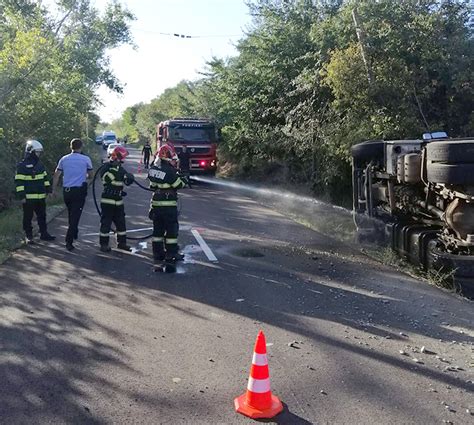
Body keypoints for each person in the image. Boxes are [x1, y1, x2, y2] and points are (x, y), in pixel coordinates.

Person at [52, 138, 93, 251]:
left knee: (71, 213)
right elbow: (91, 174)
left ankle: (74, 231)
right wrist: (86, 178)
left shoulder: (64, 159)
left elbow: (56, 175)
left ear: (71, 147)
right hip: (79, 191)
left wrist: (53, 190)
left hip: (67, 192)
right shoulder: (85, 159)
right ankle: (69, 240)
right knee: (75, 216)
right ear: (81, 147)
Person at [148, 145, 186, 264]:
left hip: (156, 205)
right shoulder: (170, 171)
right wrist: (183, 179)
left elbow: (152, 186)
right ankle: (171, 253)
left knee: (157, 231)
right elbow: (178, 185)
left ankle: (157, 254)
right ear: (168, 157)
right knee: (171, 231)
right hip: (168, 206)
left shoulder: (153, 169)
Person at [15, 140, 55, 243]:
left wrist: (49, 191)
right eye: (37, 152)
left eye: (39, 152)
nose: (38, 154)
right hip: (28, 198)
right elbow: (19, 183)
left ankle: (44, 234)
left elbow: (45, 179)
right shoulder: (22, 166)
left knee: (42, 216)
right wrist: (22, 196)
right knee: (27, 218)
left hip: (40, 197)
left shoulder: (40, 165)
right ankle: (29, 236)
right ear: (31, 151)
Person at [99, 145, 134, 252]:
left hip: (118, 200)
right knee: (106, 223)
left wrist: (129, 178)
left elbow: (126, 182)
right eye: (122, 159)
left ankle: (122, 243)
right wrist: (116, 170)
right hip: (108, 199)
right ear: (117, 158)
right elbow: (108, 178)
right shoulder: (106, 168)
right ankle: (104, 244)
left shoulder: (120, 169)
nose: (123, 161)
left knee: (121, 223)